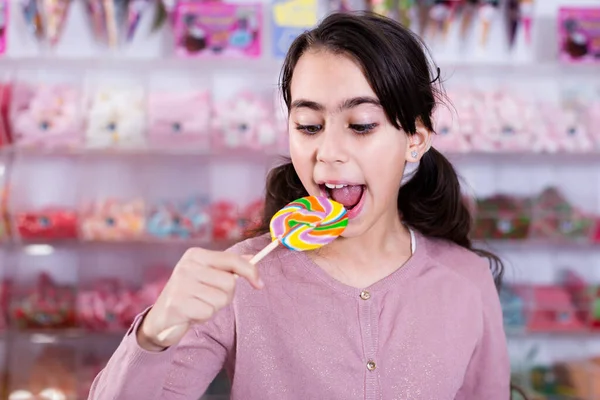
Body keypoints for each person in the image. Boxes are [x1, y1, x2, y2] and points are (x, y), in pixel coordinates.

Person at [89, 11, 510, 400]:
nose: (327, 152)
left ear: (416, 138)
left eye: (361, 125)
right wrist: (156, 333)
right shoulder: (241, 279)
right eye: (309, 126)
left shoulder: (466, 282)